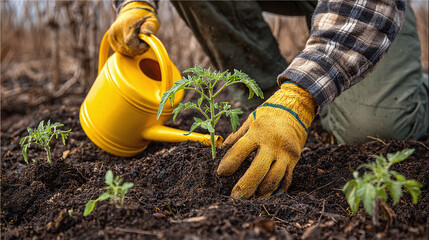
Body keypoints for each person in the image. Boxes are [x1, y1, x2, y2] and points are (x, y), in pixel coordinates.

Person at [109, 0, 429, 199]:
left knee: (376, 127)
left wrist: (300, 97)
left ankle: (412, 88)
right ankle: (266, 106)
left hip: (363, 6)